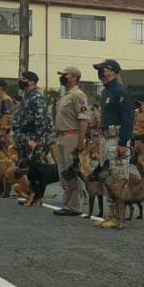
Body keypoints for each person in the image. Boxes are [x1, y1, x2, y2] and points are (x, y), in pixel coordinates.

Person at [92, 60, 134, 227]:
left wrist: (123, 142)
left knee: (118, 179)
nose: (100, 72)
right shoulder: (106, 91)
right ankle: (111, 214)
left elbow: (128, 118)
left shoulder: (120, 91)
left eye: (103, 69)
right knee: (107, 178)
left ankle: (118, 218)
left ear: (113, 72)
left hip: (116, 138)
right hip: (105, 138)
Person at [52, 66, 89, 216]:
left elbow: (83, 119)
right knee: (63, 172)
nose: (62, 77)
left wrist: (81, 141)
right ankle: (69, 203)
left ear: (74, 77)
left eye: (65, 75)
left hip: (72, 136)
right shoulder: (65, 95)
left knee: (71, 171)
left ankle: (74, 206)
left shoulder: (78, 95)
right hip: (61, 136)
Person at [11, 71, 54, 184]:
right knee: (24, 166)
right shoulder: (26, 96)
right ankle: (28, 190)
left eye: (23, 79)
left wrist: (35, 140)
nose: (20, 81)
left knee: (34, 168)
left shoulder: (37, 97)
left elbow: (40, 120)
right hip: (24, 138)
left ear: (31, 82)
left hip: (33, 138)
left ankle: (36, 192)